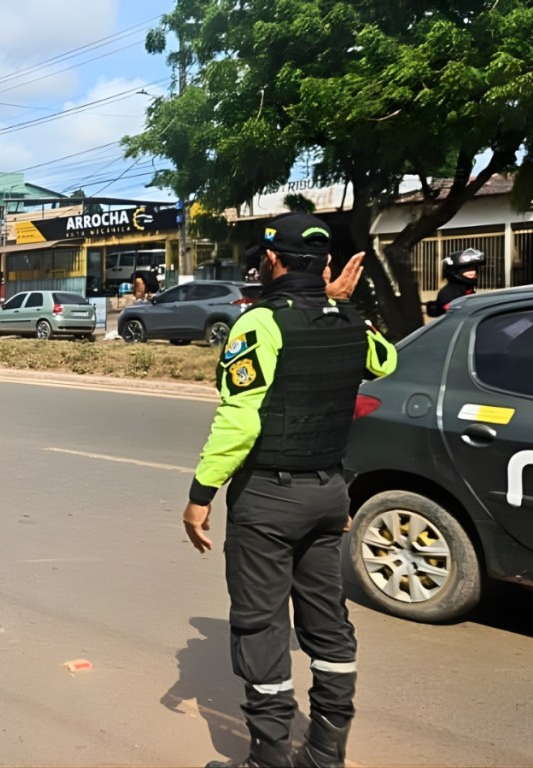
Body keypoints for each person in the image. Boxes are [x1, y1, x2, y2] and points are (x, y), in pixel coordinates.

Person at [182, 214, 398, 768]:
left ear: (273, 261)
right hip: (330, 497)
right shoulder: (349, 321)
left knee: (261, 627)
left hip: (268, 501)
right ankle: (325, 754)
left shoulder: (260, 323)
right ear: (326, 266)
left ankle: (269, 759)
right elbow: (385, 360)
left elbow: (240, 420)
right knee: (327, 624)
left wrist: (201, 492)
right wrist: (337, 304)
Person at [426, 247, 484, 318]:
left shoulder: (467, 288)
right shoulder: (449, 294)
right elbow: (459, 317)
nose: (473, 273)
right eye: (468, 269)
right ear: (455, 272)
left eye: (474, 269)